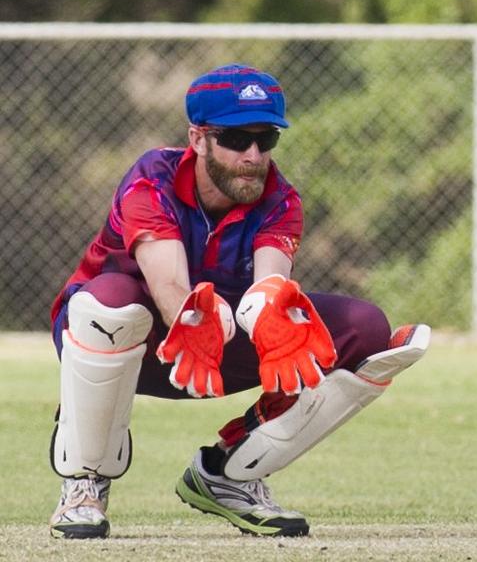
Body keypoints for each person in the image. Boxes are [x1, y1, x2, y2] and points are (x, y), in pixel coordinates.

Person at [47, 64, 431, 539]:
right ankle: (85, 481)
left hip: (219, 342)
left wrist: (272, 311)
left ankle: (229, 476)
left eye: (266, 138)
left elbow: (269, 287)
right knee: (112, 303)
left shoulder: (280, 199)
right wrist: (194, 318)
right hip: (135, 341)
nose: (253, 155)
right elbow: (169, 288)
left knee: (365, 329)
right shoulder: (152, 179)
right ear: (198, 138)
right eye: (235, 139)